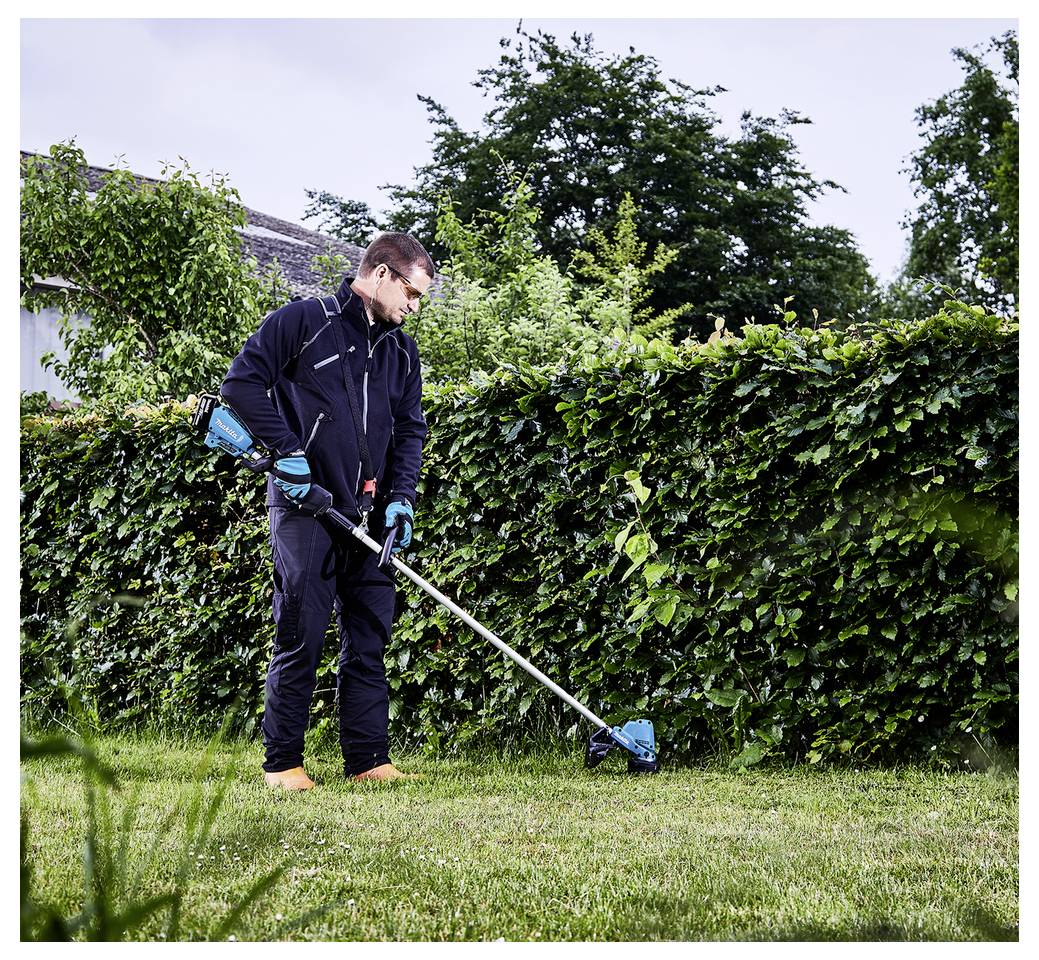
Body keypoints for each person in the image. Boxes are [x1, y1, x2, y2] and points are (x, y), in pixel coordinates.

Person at [220, 232, 434, 790]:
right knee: (302, 632)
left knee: (369, 633)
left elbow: (410, 430)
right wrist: (287, 455)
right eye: (412, 294)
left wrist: (400, 501)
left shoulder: (399, 350)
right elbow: (241, 386)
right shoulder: (304, 319)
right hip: (304, 508)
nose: (414, 308)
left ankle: (367, 759)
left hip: (369, 516)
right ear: (383, 274)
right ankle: (282, 764)